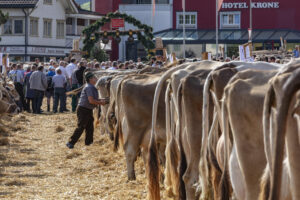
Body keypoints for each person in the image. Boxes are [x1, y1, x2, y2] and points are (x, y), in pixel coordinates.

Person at [66, 72, 109, 149]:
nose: (96, 79)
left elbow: (94, 99)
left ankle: (89, 144)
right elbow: (91, 101)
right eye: (94, 77)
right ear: (90, 79)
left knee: (90, 127)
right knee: (81, 126)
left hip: (87, 109)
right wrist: (101, 103)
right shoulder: (89, 87)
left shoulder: (91, 86)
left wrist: (104, 99)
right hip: (83, 109)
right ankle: (70, 142)